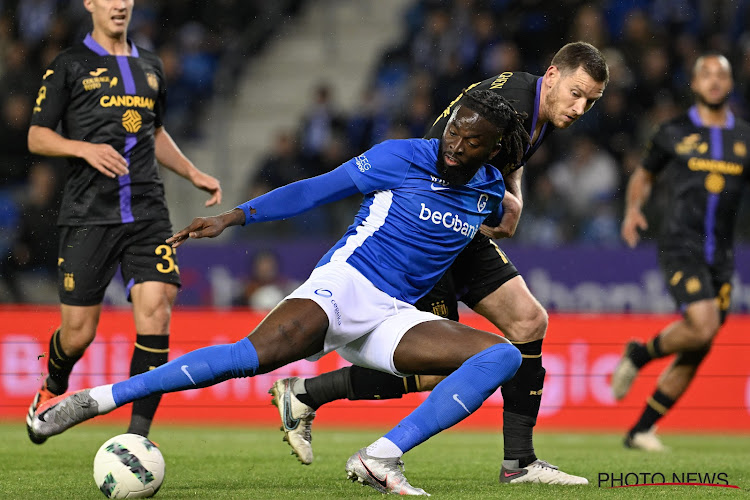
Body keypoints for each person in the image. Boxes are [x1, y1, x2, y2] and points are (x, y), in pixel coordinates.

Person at [31, 90, 528, 496]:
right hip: (345, 287)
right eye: (454, 131)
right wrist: (234, 216)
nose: (455, 146)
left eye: (472, 141)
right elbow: (314, 189)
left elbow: (500, 209)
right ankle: (95, 400)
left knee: (502, 357)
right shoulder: (400, 157)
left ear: (494, 150)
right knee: (249, 358)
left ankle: (380, 457)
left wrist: (509, 214)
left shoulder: (486, 191)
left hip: (395, 316)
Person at [270, 41, 608, 485]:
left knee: (528, 321)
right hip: (430, 228)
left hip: (459, 227)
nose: (580, 107)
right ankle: (309, 394)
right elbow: (451, 164)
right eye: (576, 94)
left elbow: (511, 158)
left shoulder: (530, 103)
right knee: (433, 370)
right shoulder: (513, 106)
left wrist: (514, 198)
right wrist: (501, 201)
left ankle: (519, 464)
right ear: (554, 74)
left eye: (591, 101)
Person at [25, 0, 222, 445]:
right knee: (78, 335)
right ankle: (52, 389)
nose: (119, 5)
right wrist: (83, 148)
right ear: (90, 4)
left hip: (148, 212)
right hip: (89, 214)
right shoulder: (69, 65)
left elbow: (153, 132)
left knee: (157, 308)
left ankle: (138, 436)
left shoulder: (150, 64)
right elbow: (37, 135)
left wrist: (192, 173)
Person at [612, 53, 749, 451]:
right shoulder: (672, 130)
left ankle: (641, 430)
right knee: (703, 324)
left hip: (722, 255)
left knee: (699, 345)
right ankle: (639, 355)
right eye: (705, 73)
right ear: (694, 83)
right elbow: (644, 173)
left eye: (721, 74)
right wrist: (634, 208)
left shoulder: (744, 137)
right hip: (680, 244)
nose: (714, 81)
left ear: (730, 83)